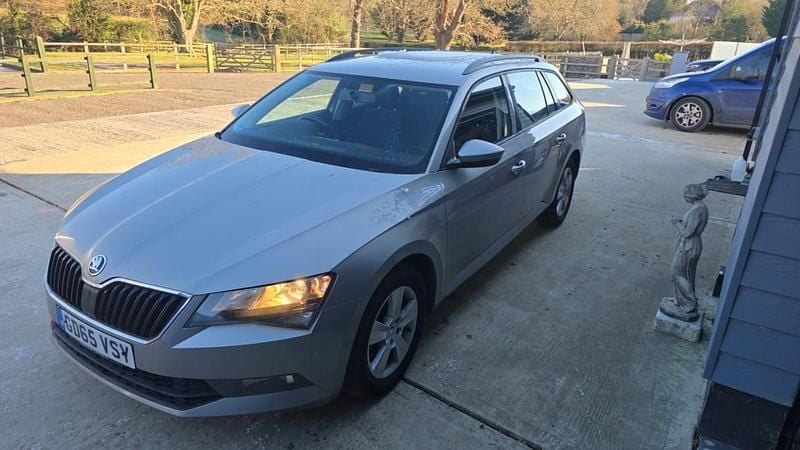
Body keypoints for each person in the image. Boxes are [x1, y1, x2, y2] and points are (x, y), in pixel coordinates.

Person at [660, 183, 709, 322]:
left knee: (678, 272)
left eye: (685, 195)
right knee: (685, 274)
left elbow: (688, 233)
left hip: (689, 246)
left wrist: (676, 222)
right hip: (688, 245)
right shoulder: (699, 208)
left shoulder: (698, 210)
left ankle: (690, 302)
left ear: (691, 195)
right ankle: (681, 299)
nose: (684, 198)